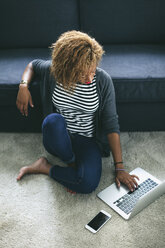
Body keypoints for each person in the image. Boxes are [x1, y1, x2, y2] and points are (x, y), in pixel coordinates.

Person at [16, 30, 139, 194]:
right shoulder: (53, 71)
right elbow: (32, 65)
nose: (89, 78)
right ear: (67, 68)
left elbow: (111, 124)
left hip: (87, 140)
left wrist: (120, 168)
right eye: (82, 73)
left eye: (92, 70)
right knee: (52, 121)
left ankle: (44, 167)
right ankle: (71, 162)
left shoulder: (103, 81)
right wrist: (23, 86)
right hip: (58, 137)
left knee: (87, 184)